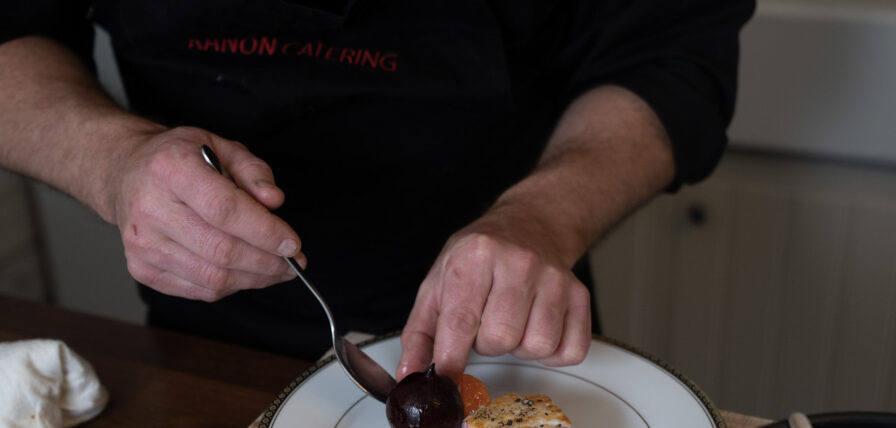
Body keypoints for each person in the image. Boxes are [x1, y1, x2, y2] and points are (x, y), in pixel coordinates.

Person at [0, 1, 754, 385]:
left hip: (506, 321)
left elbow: (671, 51)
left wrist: (543, 215)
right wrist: (114, 162)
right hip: (206, 341)